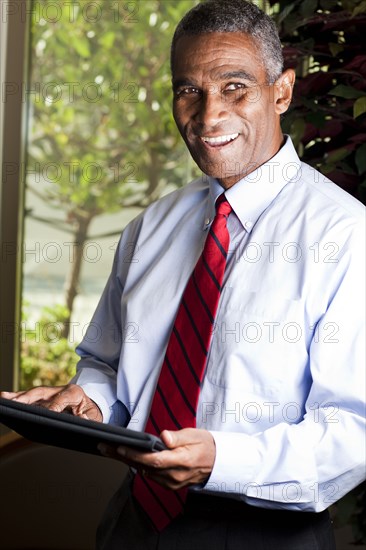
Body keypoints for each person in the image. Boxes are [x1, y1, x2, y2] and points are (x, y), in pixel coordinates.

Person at [2, 0, 365, 548]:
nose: (208, 115)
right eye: (188, 90)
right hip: (133, 521)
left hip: (267, 534)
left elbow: (353, 430)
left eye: (235, 87)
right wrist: (90, 401)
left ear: (282, 91)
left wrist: (220, 461)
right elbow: (105, 363)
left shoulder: (345, 235)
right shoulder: (152, 227)